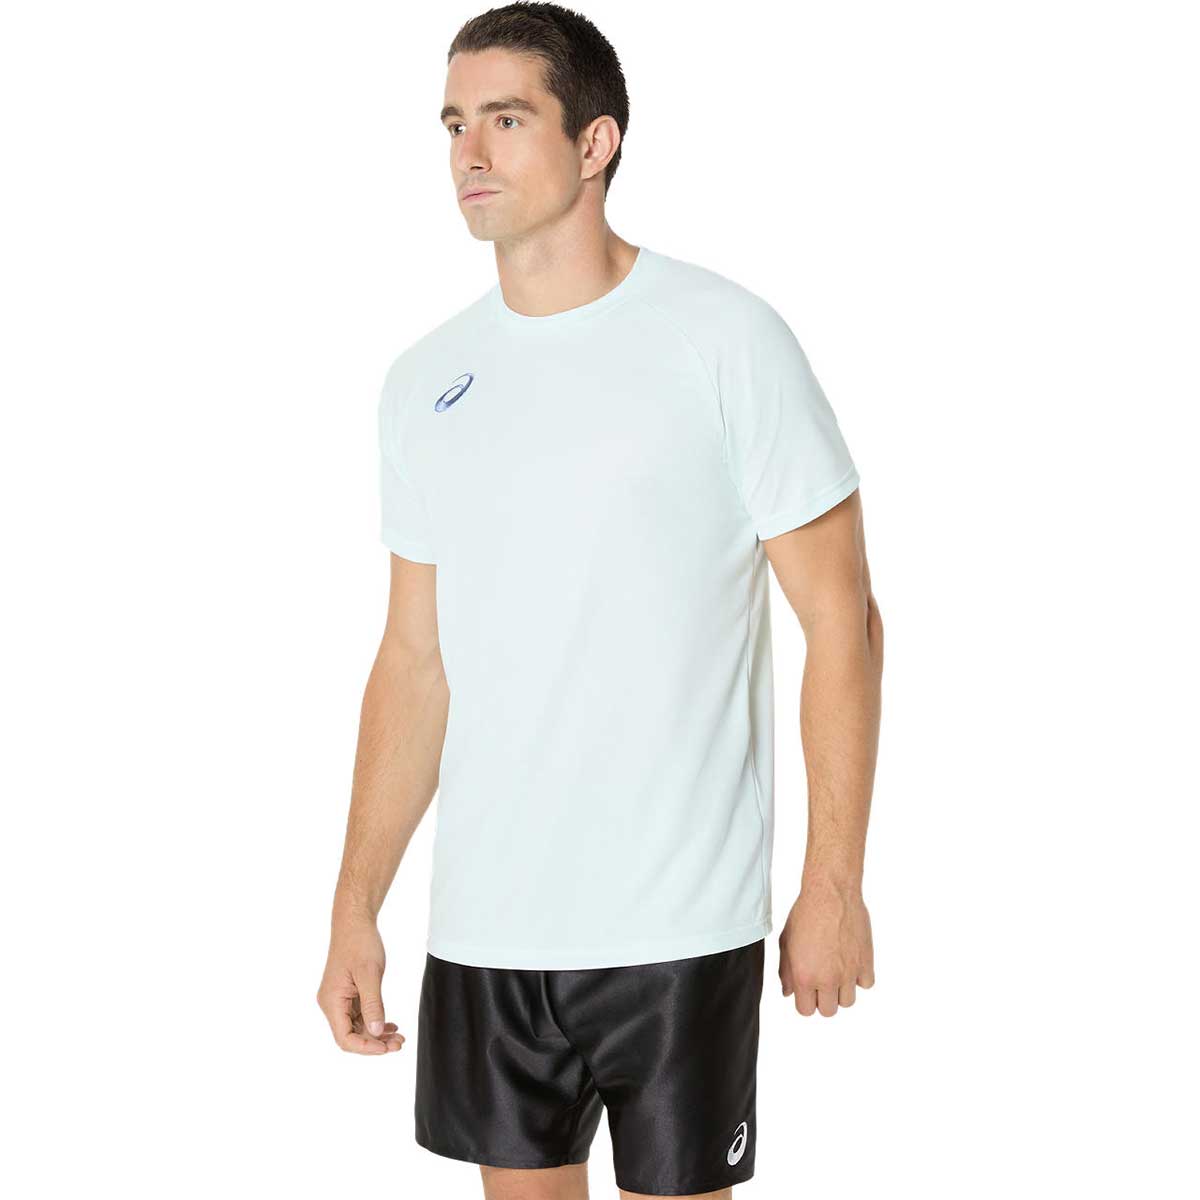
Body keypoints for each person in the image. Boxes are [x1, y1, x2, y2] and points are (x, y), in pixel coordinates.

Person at [317, 4, 883, 1198]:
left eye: (506, 119)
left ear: (595, 142)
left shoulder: (724, 339)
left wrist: (832, 881)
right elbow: (414, 660)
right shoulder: (424, 384)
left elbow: (844, 620)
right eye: (454, 124)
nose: (470, 153)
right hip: (488, 929)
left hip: (677, 923)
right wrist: (355, 907)